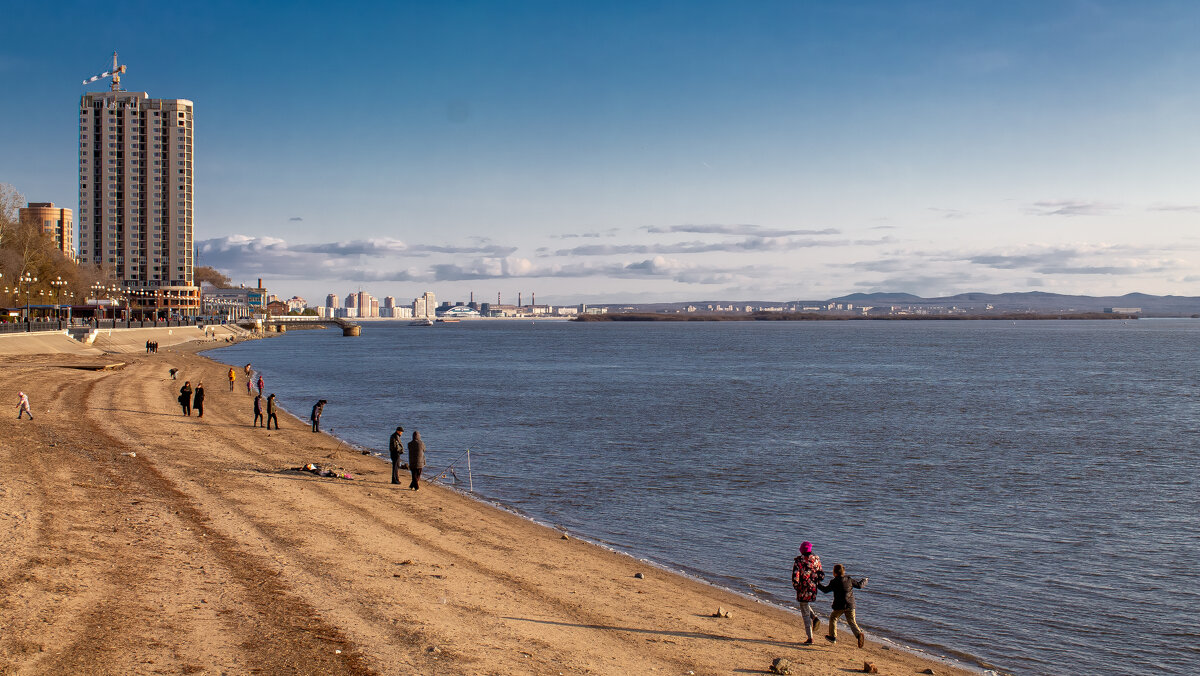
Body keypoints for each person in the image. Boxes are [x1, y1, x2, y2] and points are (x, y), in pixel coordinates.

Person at [817, 563, 869, 648]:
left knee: (833, 618)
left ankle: (833, 637)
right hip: (850, 605)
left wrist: (817, 583)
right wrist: (865, 580)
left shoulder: (834, 582)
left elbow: (825, 590)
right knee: (852, 622)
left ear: (835, 572)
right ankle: (859, 634)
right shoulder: (849, 579)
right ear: (843, 572)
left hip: (839, 606)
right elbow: (859, 585)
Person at [791, 541, 825, 644]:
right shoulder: (816, 560)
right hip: (813, 588)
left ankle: (810, 637)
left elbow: (795, 576)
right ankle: (814, 618)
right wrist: (815, 582)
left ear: (802, 550)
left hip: (802, 588)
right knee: (805, 605)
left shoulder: (799, 561)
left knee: (804, 612)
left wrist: (796, 586)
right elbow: (821, 574)